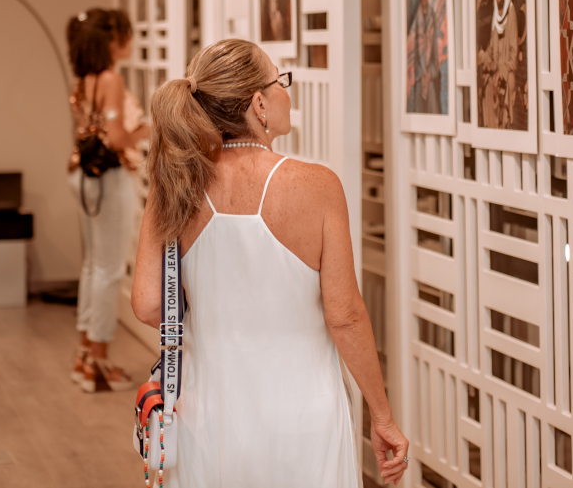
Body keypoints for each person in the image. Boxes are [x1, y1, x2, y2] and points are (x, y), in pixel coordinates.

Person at [131, 38, 410, 487]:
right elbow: (345, 317)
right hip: (303, 419)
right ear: (259, 104)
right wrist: (382, 416)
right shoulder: (317, 186)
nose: (286, 93)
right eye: (281, 81)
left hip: (208, 417)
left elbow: (148, 304)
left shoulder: (175, 186)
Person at [66, 8, 148, 392]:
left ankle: (85, 354)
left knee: (93, 266)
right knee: (108, 269)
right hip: (109, 179)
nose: (131, 40)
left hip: (84, 176)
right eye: (126, 34)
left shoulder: (85, 80)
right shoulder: (111, 79)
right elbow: (115, 138)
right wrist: (146, 130)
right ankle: (98, 361)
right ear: (112, 41)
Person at [479, 0, 519, 129]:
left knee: (507, 82)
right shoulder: (496, 16)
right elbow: (491, 48)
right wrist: (483, 56)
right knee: (485, 84)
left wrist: (501, 72)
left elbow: (514, 58)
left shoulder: (511, 14)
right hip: (496, 69)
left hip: (506, 72)